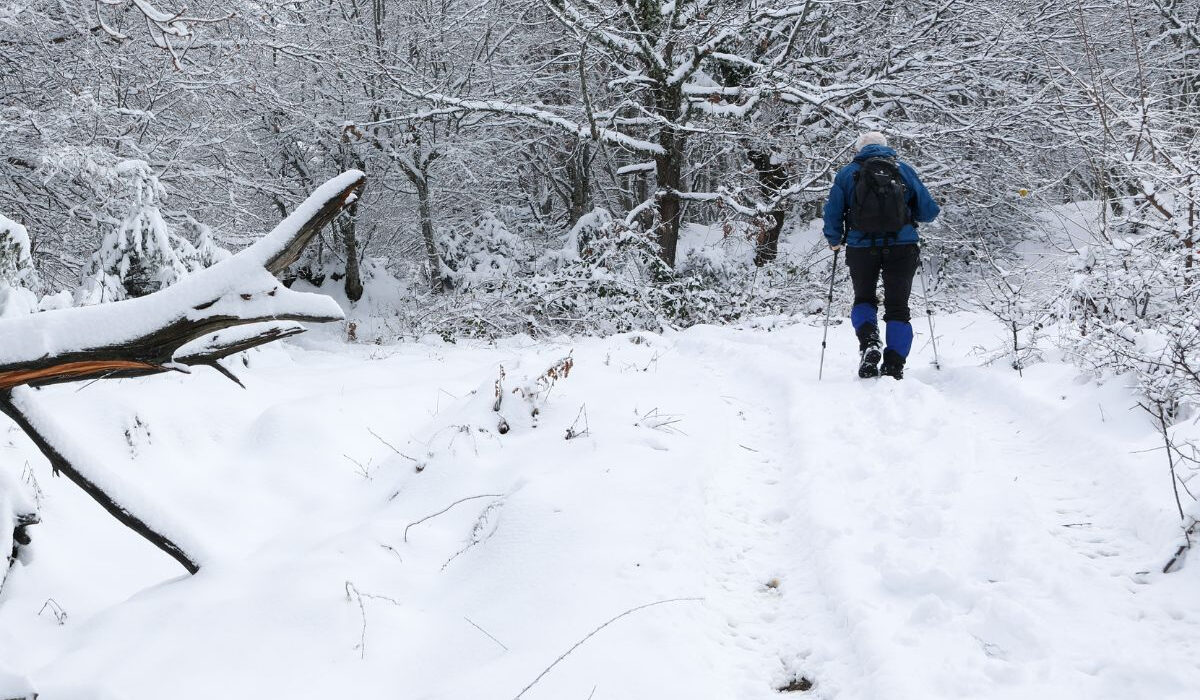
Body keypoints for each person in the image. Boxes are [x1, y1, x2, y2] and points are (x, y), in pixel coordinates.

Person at [822, 132, 940, 380]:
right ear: (886, 148)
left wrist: (834, 240)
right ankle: (894, 365)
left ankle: (869, 343)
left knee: (863, 298)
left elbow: (833, 212)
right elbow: (929, 212)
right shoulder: (903, 170)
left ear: (858, 149)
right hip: (902, 247)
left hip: (861, 248)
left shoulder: (847, 174)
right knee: (898, 307)